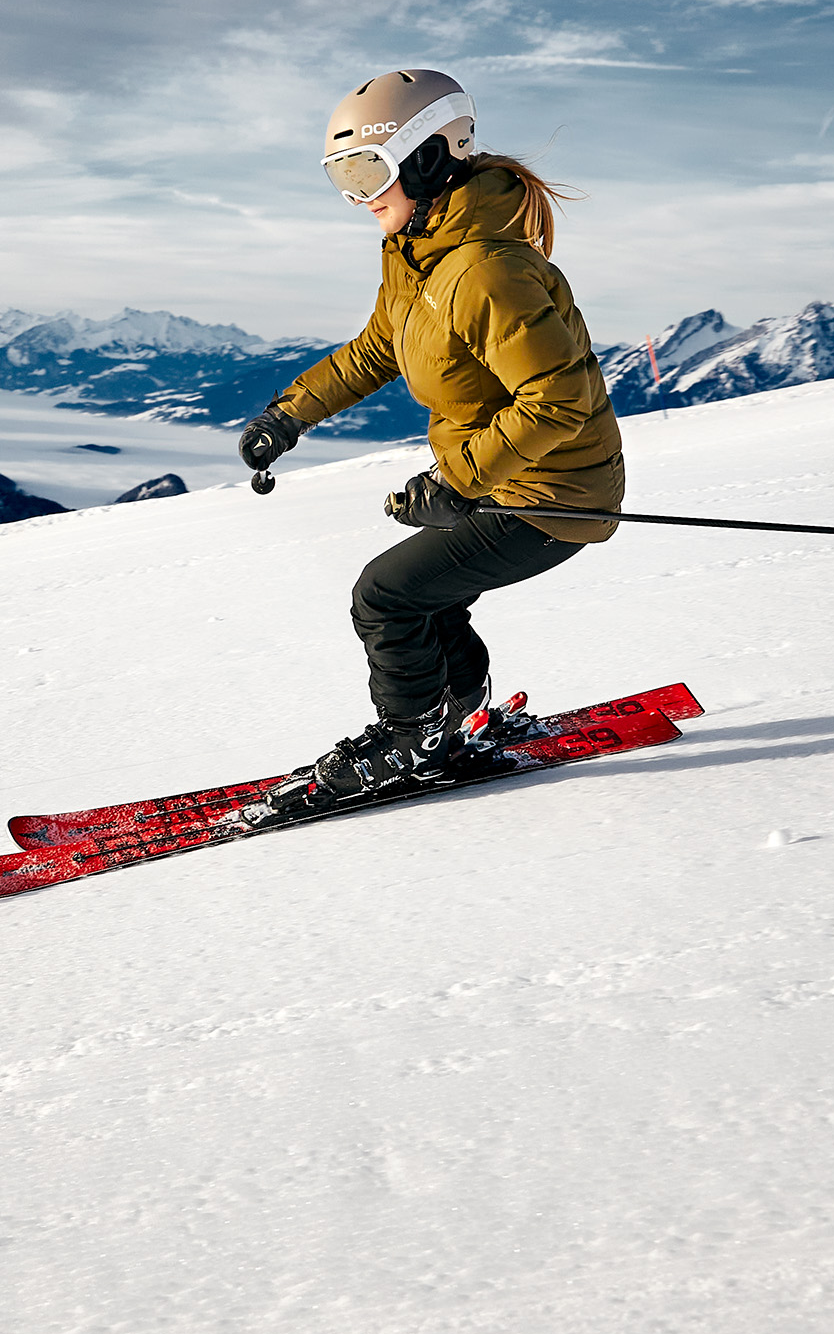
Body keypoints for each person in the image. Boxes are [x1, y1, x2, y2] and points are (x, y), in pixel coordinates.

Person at [233, 69, 623, 808]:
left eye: (367, 171)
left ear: (429, 159)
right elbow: (375, 350)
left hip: (551, 493)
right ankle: (455, 714)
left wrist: (455, 481)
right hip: (501, 480)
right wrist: (288, 416)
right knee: (430, 598)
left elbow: (557, 400)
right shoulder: (419, 255)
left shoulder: (484, 271)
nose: (359, 197)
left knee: (386, 595)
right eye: (342, 178)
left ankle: (409, 736)